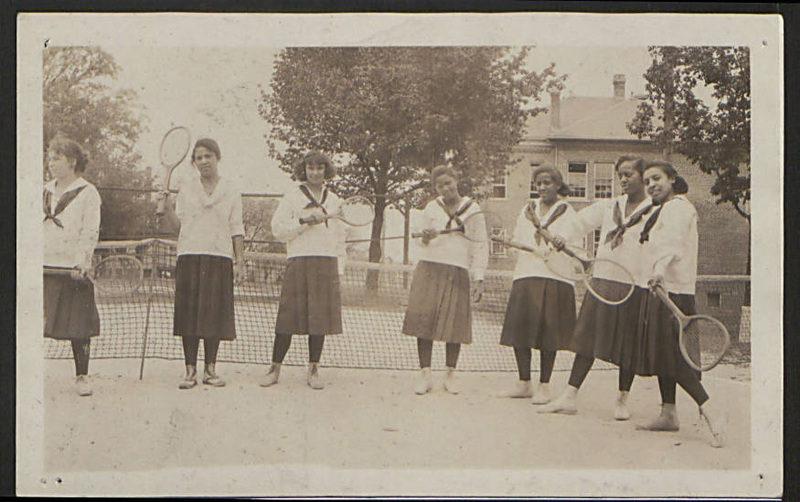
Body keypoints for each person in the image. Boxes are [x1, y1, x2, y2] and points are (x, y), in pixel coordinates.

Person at [538, 155, 652, 418]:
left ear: (642, 176)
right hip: (602, 281)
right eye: (620, 175)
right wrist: (562, 237)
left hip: (635, 286)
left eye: (629, 174)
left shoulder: (654, 210)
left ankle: (622, 400)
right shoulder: (609, 205)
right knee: (586, 340)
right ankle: (569, 396)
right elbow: (579, 224)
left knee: (628, 345)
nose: (623, 180)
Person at [633, 160, 723, 447]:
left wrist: (659, 271)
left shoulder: (677, 208)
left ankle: (710, 410)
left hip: (673, 292)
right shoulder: (660, 210)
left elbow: (670, 245)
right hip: (662, 289)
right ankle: (668, 413)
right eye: (647, 181)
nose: (651, 185)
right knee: (662, 355)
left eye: (657, 178)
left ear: (672, 179)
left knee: (675, 357)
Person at [162, 137, 245, 389]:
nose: (203, 161)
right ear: (194, 162)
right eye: (198, 157)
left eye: (208, 155)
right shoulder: (186, 188)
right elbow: (178, 226)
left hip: (220, 257)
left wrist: (239, 260)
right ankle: (189, 371)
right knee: (189, 314)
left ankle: (210, 369)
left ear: (217, 158)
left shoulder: (231, 188)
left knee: (213, 315)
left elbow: (237, 226)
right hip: (189, 255)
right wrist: (165, 205)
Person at [260, 151, 346, 390]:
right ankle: (275, 367)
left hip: (326, 263)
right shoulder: (291, 197)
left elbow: (340, 237)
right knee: (287, 318)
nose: (315, 172)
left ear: (326, 171)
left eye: (320, 168)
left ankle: (314, 368)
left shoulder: (335, 200)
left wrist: (339, 267)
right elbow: (278, 229)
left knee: (319, 320)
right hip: (299, 261)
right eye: (311, 167)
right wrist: (304, 222)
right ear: (304, 170)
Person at [498, 165, 584, 404]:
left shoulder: (568, 213)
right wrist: (510, 242)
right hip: (526, 274)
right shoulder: (527, 210)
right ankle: (524, 382)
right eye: (538, 184)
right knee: (521, 332)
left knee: (549, 334)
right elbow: (518, 238)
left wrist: (562, 243)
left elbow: (575, 247)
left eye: (547, 183)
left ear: (558, 184)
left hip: (556, 277)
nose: (542, 187)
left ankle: (544, 386)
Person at [402, 165, 488, 395]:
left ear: (457, 180)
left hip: (458, 270)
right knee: (423, 322)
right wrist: (426, 238)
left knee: (454, 325)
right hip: (430, 267)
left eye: (448, 183)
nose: (445, 188)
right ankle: (425, 374)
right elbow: (420, 240)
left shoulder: (473, 209)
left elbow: (480, 245)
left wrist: (478, 277)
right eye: (440, 185)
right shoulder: (431, 207)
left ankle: (450, 374)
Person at [43, 136, 102, 397]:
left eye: (56, 157)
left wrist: (81, 262)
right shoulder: (43, 190)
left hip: (73, 270)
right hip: (43, 268)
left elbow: (89, 231)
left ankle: (82, 376)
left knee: (79, 327)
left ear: (72, 161)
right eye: (50, 156)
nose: (51, 161)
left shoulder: (88, 193)